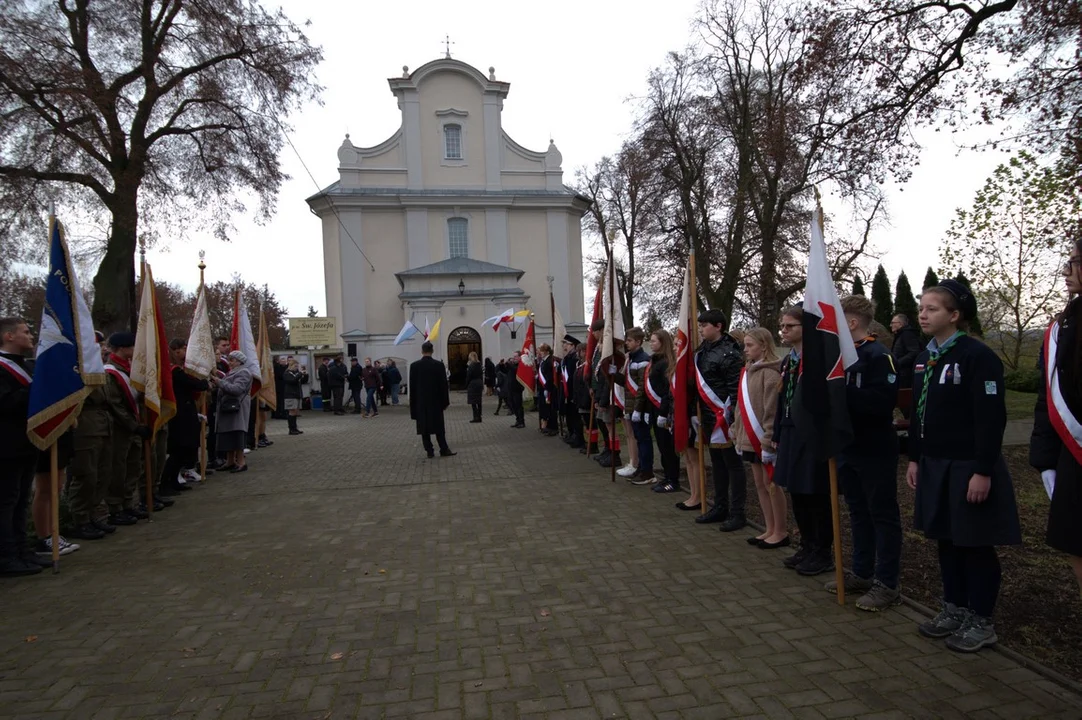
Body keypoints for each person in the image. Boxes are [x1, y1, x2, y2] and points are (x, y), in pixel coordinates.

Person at [907, 280, 1020, 653]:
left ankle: (981, 620)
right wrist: (915, 458)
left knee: (974, 543)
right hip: (934, 464)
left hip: (968, 465)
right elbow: (919, 413)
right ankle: (953, 608)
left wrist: (983, 470)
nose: (923, 313)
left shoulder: (976, 356)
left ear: (954, 315)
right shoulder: (926, 357)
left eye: (933, 308)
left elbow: (991, 419)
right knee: (946, 540)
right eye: (922, 307)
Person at [832, 296, 903, 611]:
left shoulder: (877, 354)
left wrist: (841, 392)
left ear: (852, 322)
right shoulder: (841, 357)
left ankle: (887, 583)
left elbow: (881, 402)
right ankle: (862, 572)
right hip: (848, 446)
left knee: (882, 515)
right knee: (858, 512)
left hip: (874, 447)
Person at [1031, 239, 1082, 599]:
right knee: (1076, 542)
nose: (1066, 271)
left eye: (1074, 261)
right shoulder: (1064, 325)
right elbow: (1046, 394)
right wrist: (1046, 459)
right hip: (1073, 454)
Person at [773, 305, 835, 576]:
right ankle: (807, 545)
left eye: (790, 326)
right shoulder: (789, 361)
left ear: (805, 329)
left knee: (815, 493)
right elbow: (780, 399)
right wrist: (776, 433)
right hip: (789, 431)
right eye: (782, 326)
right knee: (796, 491)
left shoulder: (818, 359)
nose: (784, 331)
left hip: (811, 435)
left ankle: (823, 551)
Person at [730, 328, 786, 548]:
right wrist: (736, 429)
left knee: (771, 483)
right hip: (748, 436)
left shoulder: (770, 373)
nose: (745, 350)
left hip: (763, 438)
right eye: (744, 345)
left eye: (750, 345)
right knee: (759, 483)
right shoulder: (748, 370)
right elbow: (739, 405)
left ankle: (780, 530)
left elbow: (771, 410)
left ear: (764, 345)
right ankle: (769, 527)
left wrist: (769, 439)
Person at [692, 309, 748, 532]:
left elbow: (734, 388)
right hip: (707, 416)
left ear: (718, 326)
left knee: (733, 465)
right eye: (700, 325)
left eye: (704, 325)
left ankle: (737, 512)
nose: (701, 329)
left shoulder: (730, 353)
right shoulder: (702, 351)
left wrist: (732, 417)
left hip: (724, 416)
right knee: (716, 463)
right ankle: (720, 506)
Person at [0, 317, 44, 576]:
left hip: (27, 442)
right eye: (25, 332)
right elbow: (5, 402)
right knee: (6, 502)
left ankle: (22, 550)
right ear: (9, 336)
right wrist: (38, 389)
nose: (30, 336)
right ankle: (7, 557)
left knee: (20, 501)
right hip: (6, 446)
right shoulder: (3, 368)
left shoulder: (26, 366)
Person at [161, 339, 210, 495]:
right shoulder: (174, 371)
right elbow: (194, 384)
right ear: (175, 351)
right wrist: (204, 380)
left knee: (184, 451)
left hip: (187, 412)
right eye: (183, 349)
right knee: (178, 450)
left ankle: (174, 480)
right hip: (179, 414)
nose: (185, 352)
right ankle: (166, 483)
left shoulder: (179, 369)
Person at [643, 330, 680, 492]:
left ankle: (673, 479)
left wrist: (663, 413)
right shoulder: (655, 361)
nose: (651, 344)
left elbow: (667, 391)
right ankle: (666, 477)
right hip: (654, 409)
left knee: (668, 448)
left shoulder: (665, 363)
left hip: (663, 410)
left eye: (654, 341)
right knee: (662, 447)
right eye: (650, 341)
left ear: (663, 343)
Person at [409, 341, 456, 458]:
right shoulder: (439, 365)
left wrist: (413, 405)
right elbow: (444, 386)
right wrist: (445, 402)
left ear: (422, 351)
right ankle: (444, 449)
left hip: (421, 402)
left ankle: (429, 451)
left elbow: (412, 387)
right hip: (436, 402)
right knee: (439, 427)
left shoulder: (414, 366)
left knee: (424, 428)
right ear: (432, 351)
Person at [215, 351, 254, 474]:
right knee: (228, 435)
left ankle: (241, 462)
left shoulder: (244, 372)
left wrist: (219, 382)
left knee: (237, 434)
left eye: (232, 360)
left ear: (239, 361)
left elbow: (237, 389)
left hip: (237, 409)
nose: (229, 362)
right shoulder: (233, 372)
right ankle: (230, 461)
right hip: (228, 408)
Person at [622, 328, 651, 479]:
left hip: (640, 407)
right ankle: (640, 467)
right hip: (632, 405)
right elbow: (626, 383)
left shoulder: (643, 360)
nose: (626, 343)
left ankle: (647, 470)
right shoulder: (631, 359)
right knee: (639, 438)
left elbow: (641, 387)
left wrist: (638, 409)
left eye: (629, 341)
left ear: (638, 342)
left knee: (644, 439)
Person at [560, 336, 584, 448]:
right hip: (567, 392)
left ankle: (578, 437)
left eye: (566, 343)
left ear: (573, 345)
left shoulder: (574, 359)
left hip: (573, 392)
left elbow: (574, 378)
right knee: (570, 415)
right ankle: (572, 434)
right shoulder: (567, 358)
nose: (564, 345)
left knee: (576, 416)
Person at [890, 314, 922, 391]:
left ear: (900, 324)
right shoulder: (900, 335)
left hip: (906, 375)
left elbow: (914, 352)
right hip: (901, 373)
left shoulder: (907, 334)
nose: (890, 325)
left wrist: (897, 363)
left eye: (892, 322)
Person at [283, 359, 308, 435]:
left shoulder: (296, 373)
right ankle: (291, 429)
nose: (296, 368)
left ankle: (295, 428)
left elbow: (302, 381)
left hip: (297, 394)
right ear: (291, 366)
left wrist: (305, 375)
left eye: (297, 366)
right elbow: (293, 380)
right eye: (295, 366)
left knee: (295, 412)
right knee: (292, 411)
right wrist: (300, 374)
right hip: (290, 395)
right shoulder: (287, 373)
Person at [506, 351, 526, 428]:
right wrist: (503, 365)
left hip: (517, 388)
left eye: (516, 356)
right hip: (511, 388)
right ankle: (517, 420)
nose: (514, 358)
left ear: (520, 357)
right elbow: (505, 370)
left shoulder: (521, 365)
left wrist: (509, 364)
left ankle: (521, 421)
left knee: (518, 405)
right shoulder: (512, 365)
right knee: (512, 405)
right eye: (513, 356)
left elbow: (515, 370)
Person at [466, 351, 483, 423]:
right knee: (479, 401)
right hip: (479, 383)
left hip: (473, 384)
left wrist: (466, 384)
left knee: (473, 402)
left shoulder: (471, 366)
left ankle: (475, 417)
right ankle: (479, 416)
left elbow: (469, 376)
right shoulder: (479, 365)